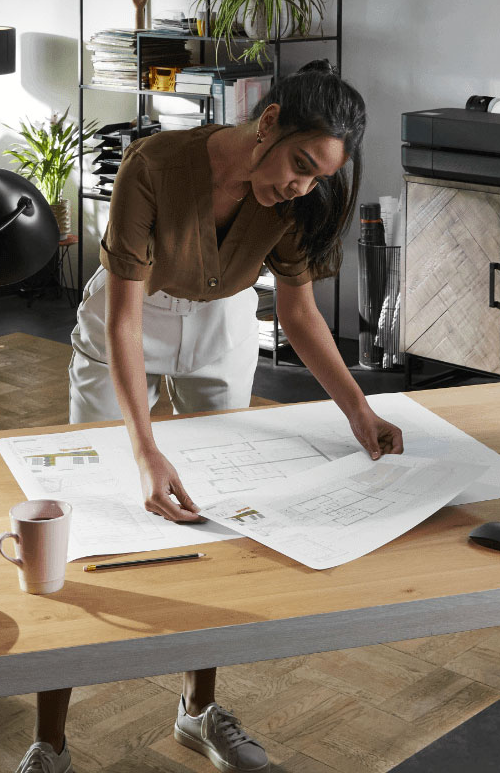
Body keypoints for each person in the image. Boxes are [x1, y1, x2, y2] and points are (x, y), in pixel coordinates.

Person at [20, 61, 403, 773]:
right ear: (268, 121)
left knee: (212, 514)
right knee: (81, 514)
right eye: (298, 162)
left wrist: (357, 407)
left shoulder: (296, 204)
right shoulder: (156, 164)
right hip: (132, 316)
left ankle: (198, 710)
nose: (301, 184)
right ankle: (50, 739)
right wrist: (143, 449)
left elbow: (297, 312)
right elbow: (126, 320)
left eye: (317, 175)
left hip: (225, 320)